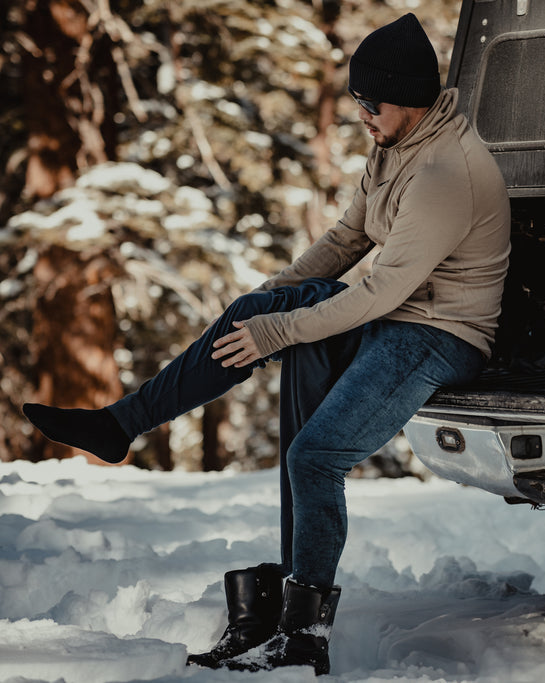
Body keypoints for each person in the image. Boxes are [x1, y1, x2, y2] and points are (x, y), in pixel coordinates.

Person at [22, 13, 511, 676]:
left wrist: (276, 330)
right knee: (269, 319)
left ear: (406, 99)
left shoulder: (445, 174)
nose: (361, 116)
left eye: (369, 105)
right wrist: (266, 300)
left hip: (440, 333)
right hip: (395, 313)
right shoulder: (397, 144)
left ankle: (305, 634)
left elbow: (378, 294)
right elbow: (345, 242)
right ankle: (120, 423)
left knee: (314, 456)